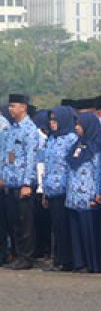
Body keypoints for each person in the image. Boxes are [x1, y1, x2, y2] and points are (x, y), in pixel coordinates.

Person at [1, 94, 42, 270]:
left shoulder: (29, 130)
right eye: (9, 106)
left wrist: (27, 183)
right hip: (10, 183)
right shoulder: (11, 130)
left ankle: (27, 256)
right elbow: (7, 156)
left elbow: (31, 159)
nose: (11, 109)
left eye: (14, 106)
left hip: (22, 184)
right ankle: (18, 254)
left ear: (24, 107)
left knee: (26, 223)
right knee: (14, 222)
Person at [65, 113, 101, 272]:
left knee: (90, 232)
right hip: (74, 196)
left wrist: (98, 192)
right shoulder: (76, 145)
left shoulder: (96, 146)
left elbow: (100, 172)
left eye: (80, 125)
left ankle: (93, 264)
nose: (76, 128)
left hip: (89, 195)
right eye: (75, 124)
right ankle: (79, 262)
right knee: (76, 233)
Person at [40, 106, 78, 271]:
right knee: (56, 226)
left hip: (65, 189)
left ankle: (67, 260)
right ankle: (59, 259)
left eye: (55, 120)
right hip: (52, 188)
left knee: (65, 226)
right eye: (51, 120)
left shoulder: (71, 139)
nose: (52, 123)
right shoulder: (51, 139)